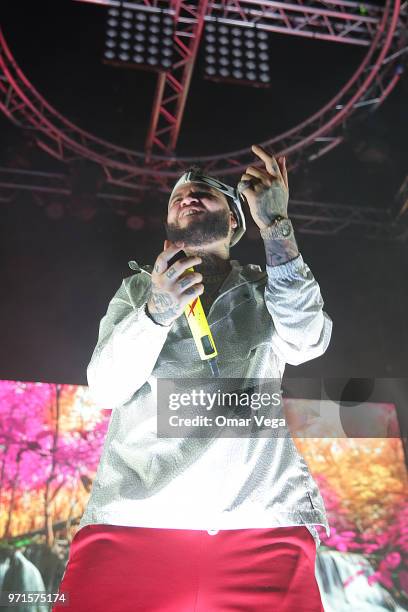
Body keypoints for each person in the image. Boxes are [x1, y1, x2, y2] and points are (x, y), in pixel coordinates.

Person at [53, 144, 333, 611]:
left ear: (234, 222)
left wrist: (278, 229)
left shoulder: (269, 285)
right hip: (134, 521)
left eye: (203, 192)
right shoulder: (138, 289)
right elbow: (105, 387)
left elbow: (308, 340)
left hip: (261, 524)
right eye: (178, 194)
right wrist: (155, 314)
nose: (187, 195)